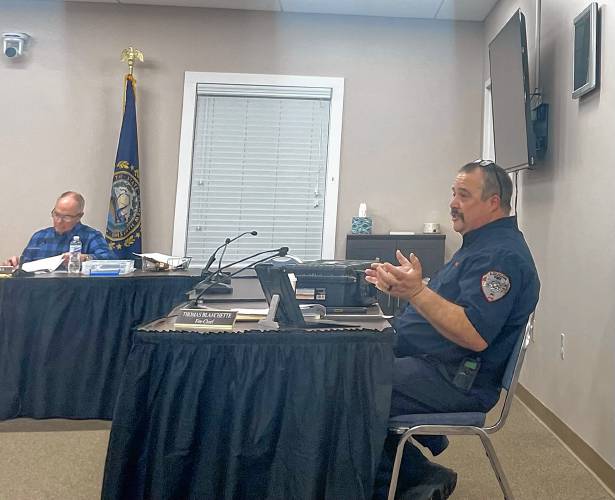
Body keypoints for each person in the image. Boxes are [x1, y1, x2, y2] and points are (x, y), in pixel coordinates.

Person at [365, 160, 540, 500]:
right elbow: (444, 308)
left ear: (493, 202)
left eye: (463, 195)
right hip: (432, 364)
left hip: (456, 379)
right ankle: (417, 476)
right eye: (453, 193)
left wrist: (417, 291)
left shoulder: (500, 257)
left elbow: (474, 333)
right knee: (346, 369)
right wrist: (406, 290)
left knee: (348, 385)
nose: (453, 203)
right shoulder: (478, 246)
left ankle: (403, 481)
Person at [2, 191, 115, 267]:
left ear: (79, 216)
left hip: (74, 296)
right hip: (39, 295)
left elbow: (110, 260)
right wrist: (14, 265)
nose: (59, 221)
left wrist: (84, 258)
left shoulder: (91, 236)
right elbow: (24, 267)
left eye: (66, 217)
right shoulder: (39, 236)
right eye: (56, 214)